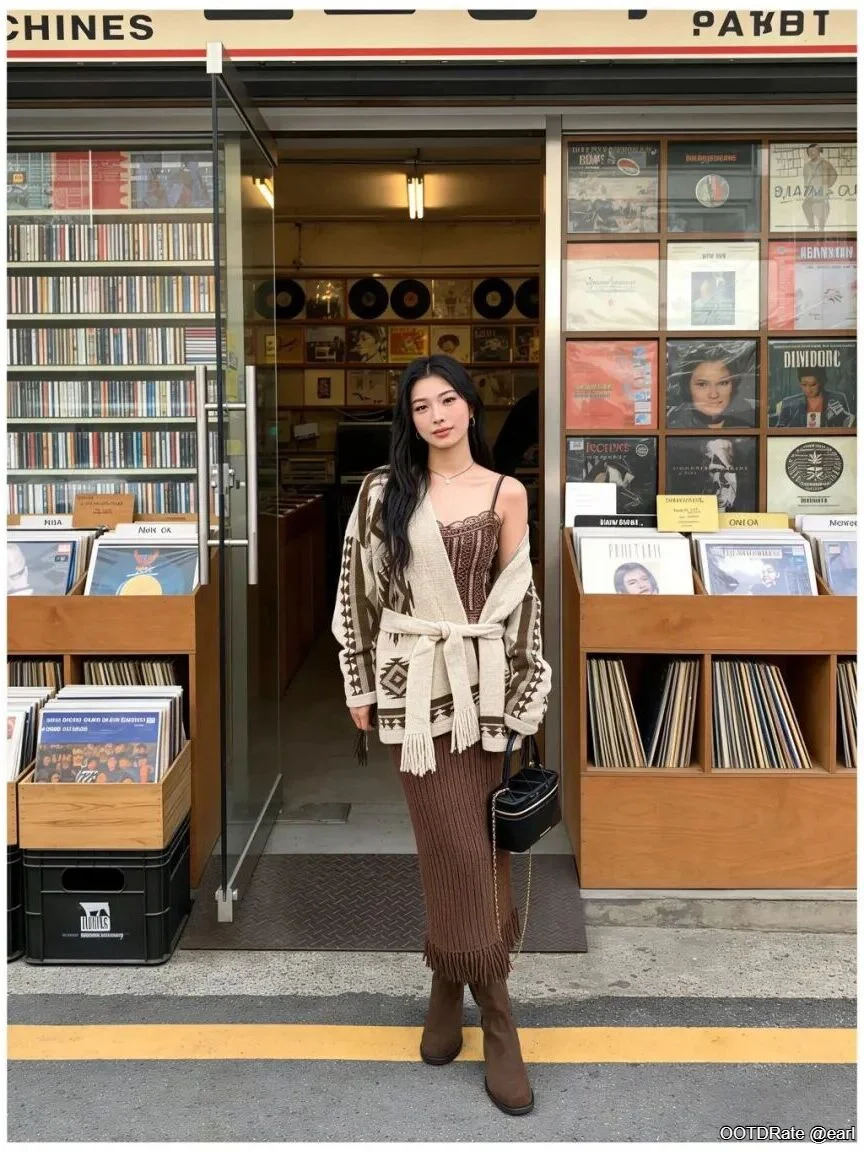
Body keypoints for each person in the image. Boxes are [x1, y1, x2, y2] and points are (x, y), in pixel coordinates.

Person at [332, 353, 551, 1116]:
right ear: (409, 417)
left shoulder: (507, 492)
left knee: (478, 847)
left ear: (470, 406)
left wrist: (526, 701)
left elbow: (522, 602)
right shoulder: (383, 493)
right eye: (421, 405)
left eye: (448, 399)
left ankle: (447, 986)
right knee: (451, 845)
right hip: (414, 692)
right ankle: (499, 1019)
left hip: (487, 694)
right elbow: (356, 591)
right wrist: (358, 681)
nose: (437, 415)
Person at [667, 347, 755, 428]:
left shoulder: (750, 422)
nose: (713, 394)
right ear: (687, 387)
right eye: (702, 385)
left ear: (733, 386)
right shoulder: (672, 425)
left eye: (723, 383)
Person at [771, 366, 854, 428]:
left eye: (813, 385)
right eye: (804, 385)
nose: (808, 389)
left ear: (821, 382)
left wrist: (844, 417)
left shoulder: (838, 398)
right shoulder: (789, 403)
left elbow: (849, 426)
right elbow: (779, 431)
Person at [802, 144, 837, 230]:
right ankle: (811, 225)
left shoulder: (825, 164)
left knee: (822, 207)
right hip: (811, 190)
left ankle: (821, 227)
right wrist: (807, 187)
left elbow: (834, 175)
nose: (811, 153)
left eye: (814, 151)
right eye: (809, 152)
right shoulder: (806, 166)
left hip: (821, 189)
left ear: (818, 152)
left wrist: (828, 185)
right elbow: (805, 178)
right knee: (806, 205)